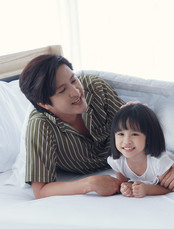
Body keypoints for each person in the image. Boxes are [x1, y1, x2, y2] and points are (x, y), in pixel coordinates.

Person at [19, 54, 126, 199]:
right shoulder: (41, 125)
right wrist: (90, 184)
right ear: (44, 104)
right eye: (62, 90)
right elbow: (41, 190)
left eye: (74, 80)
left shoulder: (96, 89)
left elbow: (138, 131)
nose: (76, 92)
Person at [107, 103, 174, 198]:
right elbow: (124, 182)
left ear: (149, 137)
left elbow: (167, 188)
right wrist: (126, 187)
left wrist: (147, 189)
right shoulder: (117, 161)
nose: (126, 141)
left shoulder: (159, 162)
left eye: (134, 134)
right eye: (121, 134)